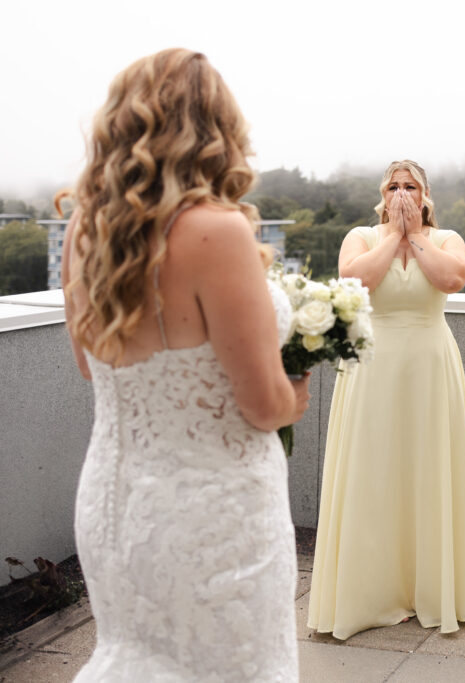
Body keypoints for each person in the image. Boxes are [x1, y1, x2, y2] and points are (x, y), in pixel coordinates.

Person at [61, 49, 310, 681]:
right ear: (218, 130)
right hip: (213, 516)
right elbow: (261, 407)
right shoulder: (217, 231)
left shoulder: (85, 232)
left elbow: (94, 369)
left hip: (115, 507)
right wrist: (297, 392)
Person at [307, 160, 465, 639]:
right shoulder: (362, 236)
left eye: (410, 185)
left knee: (430, 468)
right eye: (394, 185)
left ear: (426, 192)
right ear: (383, 192)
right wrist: (394, 233)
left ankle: (432, 587)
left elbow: (452, 279)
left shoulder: (447, 238)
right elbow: (355, 282)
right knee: (375, 471)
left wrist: (416, 236)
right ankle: (375, 590)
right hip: (373, 367)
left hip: (432, 366)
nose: (402, 192)